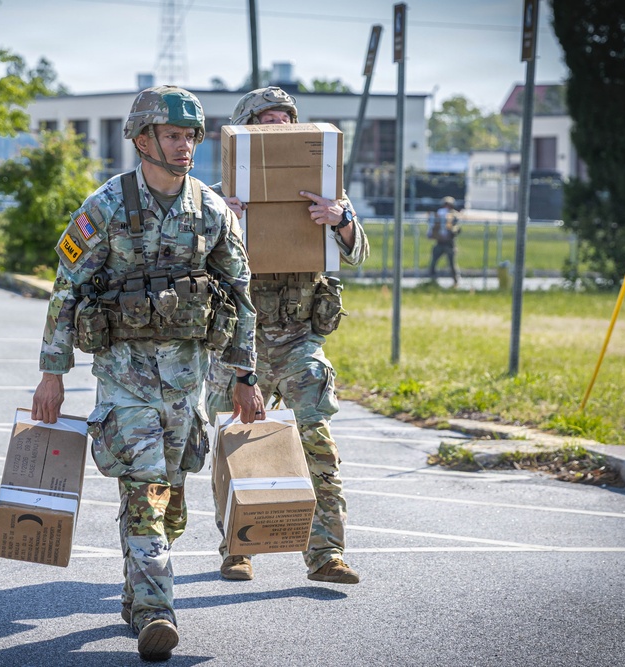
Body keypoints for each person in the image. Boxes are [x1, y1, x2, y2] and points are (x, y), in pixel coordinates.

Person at [30, 85, 264, 662]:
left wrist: (245, 375)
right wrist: (52, 373)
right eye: (174, 136)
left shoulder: (210, 209)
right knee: (144, 493)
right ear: (142, 140)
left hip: (188, 385)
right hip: (124, 381)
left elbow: (241, 294)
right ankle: (159, 611)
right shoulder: (104, 207)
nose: (185, 148)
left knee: (171, 503)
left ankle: (137, 594)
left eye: (191, 137)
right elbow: (67, 289)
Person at [205, 86, 370, 585]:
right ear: (247, 130)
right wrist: (223, 223)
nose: (280, 127)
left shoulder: (323, 189)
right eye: (268, 120)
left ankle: (326, 554)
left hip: (300, 338)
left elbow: (359, 254)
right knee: (239, 443)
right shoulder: (213, 197)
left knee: (317, 440)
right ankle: (239, 547)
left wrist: (340, 220)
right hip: (241, 343)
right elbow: (190, 265)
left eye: (286, 120)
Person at [427, 195, 462, 287]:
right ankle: (433, 281)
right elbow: (433, 226)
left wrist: (451, 229)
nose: (447, 207)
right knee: (433, 263)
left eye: (449, 205)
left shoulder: (453, 215)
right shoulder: (439, 214)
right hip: (439, 243)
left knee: (452, 264)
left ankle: (456, 281)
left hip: (449, 244)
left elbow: (456, 228)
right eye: (445, 205)